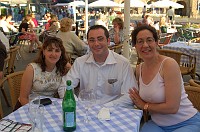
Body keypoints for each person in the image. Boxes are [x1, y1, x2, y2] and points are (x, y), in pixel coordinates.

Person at [129, 25, 200, 131]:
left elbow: (172, 107)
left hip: (186, 122)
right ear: (135, 46)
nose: (145, 45)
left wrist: (145, 105)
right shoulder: (139, 69)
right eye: (140, 41)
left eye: (149, 40)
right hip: (157, 124)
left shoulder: (168, 65)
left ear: (156, 42)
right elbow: (138, 99)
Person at [63, 25, 138, 107]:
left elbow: (130, 96)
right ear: (88, 43)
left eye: (100, 39)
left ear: (108, 41)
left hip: (113, 112)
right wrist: (76, 103)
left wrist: (105, 107)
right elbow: (64, 86)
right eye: (92, 40)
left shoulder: (123, 64)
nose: (96, 43)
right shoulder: (80, 62)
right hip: (86, 110)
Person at [16, 37, 71, 110]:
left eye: (57, 51)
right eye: (50, 50)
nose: (53, 54)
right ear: (43, 52)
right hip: (29, 107)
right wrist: (34, 112)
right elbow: (23, 98)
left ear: (61, 53)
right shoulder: (32, 69)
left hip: (49, 107)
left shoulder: (63, 67)